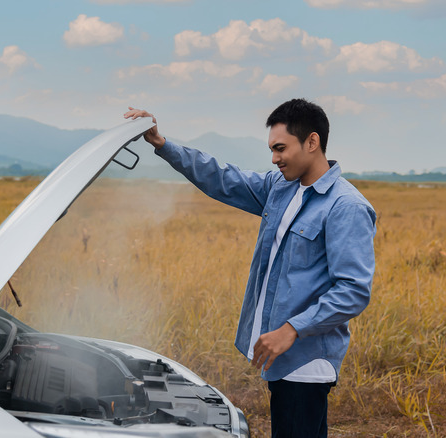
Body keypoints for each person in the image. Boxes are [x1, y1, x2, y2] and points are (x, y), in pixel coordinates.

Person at [124, 99, 376, 438]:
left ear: (312, 142)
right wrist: (163, 145)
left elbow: (353, 291)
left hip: (306, 362)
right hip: (282, 360)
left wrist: (291, 329)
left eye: (280, 148)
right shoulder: (280, 187)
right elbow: (222, 178)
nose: (274, 158)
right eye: (272, 149)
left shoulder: (346, 206)